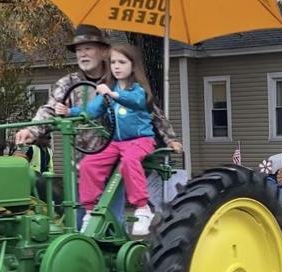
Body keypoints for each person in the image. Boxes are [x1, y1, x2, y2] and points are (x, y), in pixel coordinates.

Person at [13, 25, 183, 213]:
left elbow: (150, 110)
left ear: (103, 52)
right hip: (81, 170)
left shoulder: (119, 82)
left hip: (114, 169)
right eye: (79, 50)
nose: (82, 54)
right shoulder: (69, 83)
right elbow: (50, 110)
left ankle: (138, 213)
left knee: (109, 222)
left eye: (88, 48)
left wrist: (170, 139)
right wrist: (32, 130)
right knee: (81, 221)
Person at [55, 44, 157, 236]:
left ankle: (143, 209)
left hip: (140, 140)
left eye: (122, 62)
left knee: (129, 161)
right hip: (116, 142)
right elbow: (92, 111)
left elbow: (134, 101)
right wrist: (69, 112)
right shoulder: (110, 89)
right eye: (113, 62)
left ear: (133, 66)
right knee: (89, 164)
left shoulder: (137, 89)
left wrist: (112, 94)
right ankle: (90, 211)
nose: (116, 66)